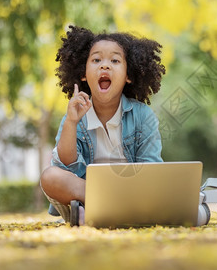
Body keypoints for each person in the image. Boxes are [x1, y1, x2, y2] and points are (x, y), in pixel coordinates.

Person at [40, 25, 166, 225]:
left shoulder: (143, 116)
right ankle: (102, 210)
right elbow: (65, 166)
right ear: (83, 73)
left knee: (162, 187)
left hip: (132, 194)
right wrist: (72, 122)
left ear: (128, 75)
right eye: (96, 60)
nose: (104, 66)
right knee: (50, 176)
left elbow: (151, 169)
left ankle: (97, 214)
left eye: (115, 60)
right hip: (88, 197)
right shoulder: (75, 115)